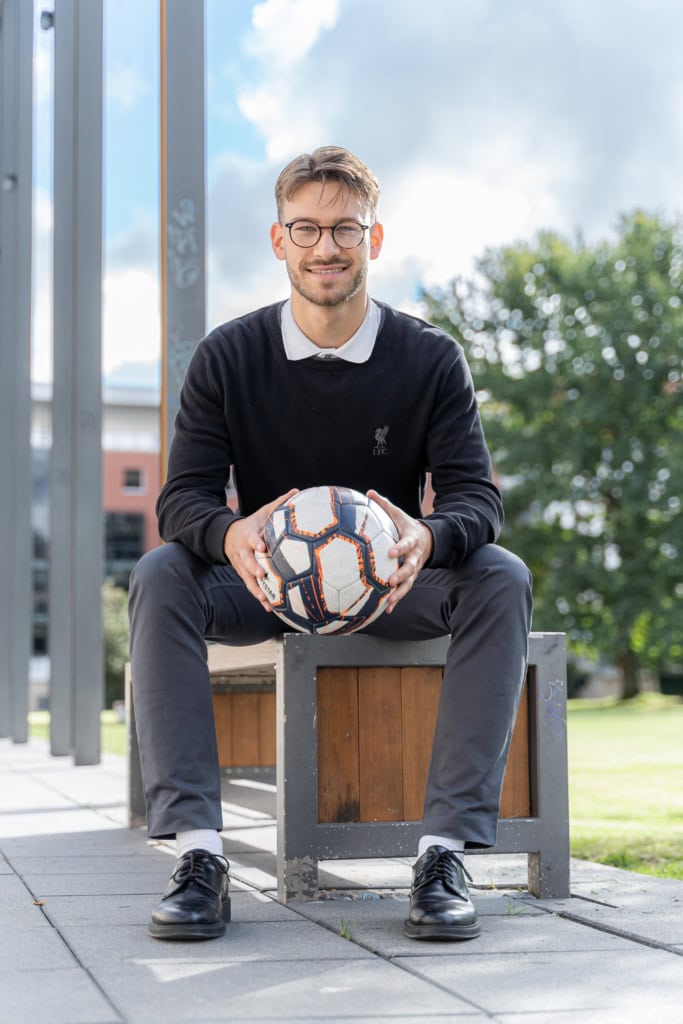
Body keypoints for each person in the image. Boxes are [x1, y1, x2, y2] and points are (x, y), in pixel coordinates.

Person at [129, 145, 533, 943]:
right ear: (278, 241)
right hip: (256, 585)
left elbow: (476, 501)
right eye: (305, 229)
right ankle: (201, 858)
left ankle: (442, 855)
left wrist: (427, 534)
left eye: (345, 229)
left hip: (391, 586)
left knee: (499, 575)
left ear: (373, 241)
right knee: (160, 573)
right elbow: (181, 500)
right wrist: (229, 531)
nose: (325, 248)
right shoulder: (228, 356)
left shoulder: (429, 358)